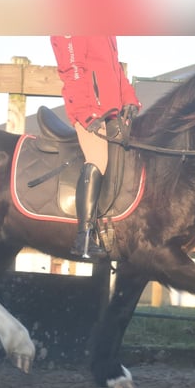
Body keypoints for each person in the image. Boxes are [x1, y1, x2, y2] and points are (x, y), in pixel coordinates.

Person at [50, 35, 141, 260]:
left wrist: (129, 98)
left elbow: (115, 69)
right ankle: (84, 237)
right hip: (90, 112)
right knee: (98, 159)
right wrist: (85, 112)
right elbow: (73, 70)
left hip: (111, 111)